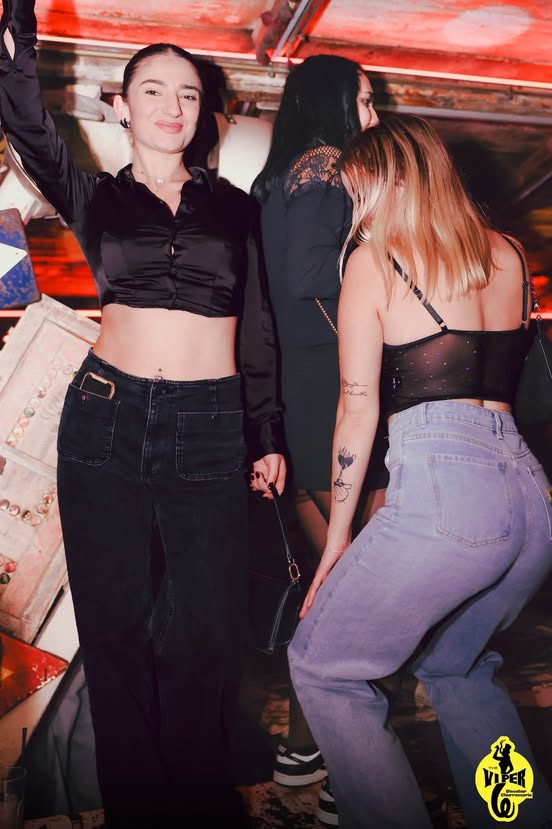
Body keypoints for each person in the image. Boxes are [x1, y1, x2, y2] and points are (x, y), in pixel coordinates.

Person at [0, 1, 286, 827]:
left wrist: (265, 431)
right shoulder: (94, 197)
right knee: (114, 629)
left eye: (188, 94)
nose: (172, 106)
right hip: (106, 418)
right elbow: (26, 124)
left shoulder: (237, 208)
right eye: (153, 91)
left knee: (208, 634)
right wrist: (17, 39)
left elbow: (258, 325)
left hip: (210, 425)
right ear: (123, 107)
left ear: (203, 113)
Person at [288, 113, 552, 829]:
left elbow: (357, 407)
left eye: (359, 191)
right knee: (457, 667)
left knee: (323, 668)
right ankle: (518, 817)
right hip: (530, 498)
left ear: (392, 181)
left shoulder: (376, 259)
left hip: (448, 489)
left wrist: (337, 539)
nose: (355, 209)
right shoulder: (509, 252)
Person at [251, 55, 388, 815]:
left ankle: (306, 748)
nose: (374, 116)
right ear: (333, 103)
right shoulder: (325, 165)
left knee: (334, 582)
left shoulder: (284, 177)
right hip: (330, 391)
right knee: (356, 586)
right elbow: (311, 273)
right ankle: (343, 763)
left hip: (305, 391)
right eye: (364, 101)